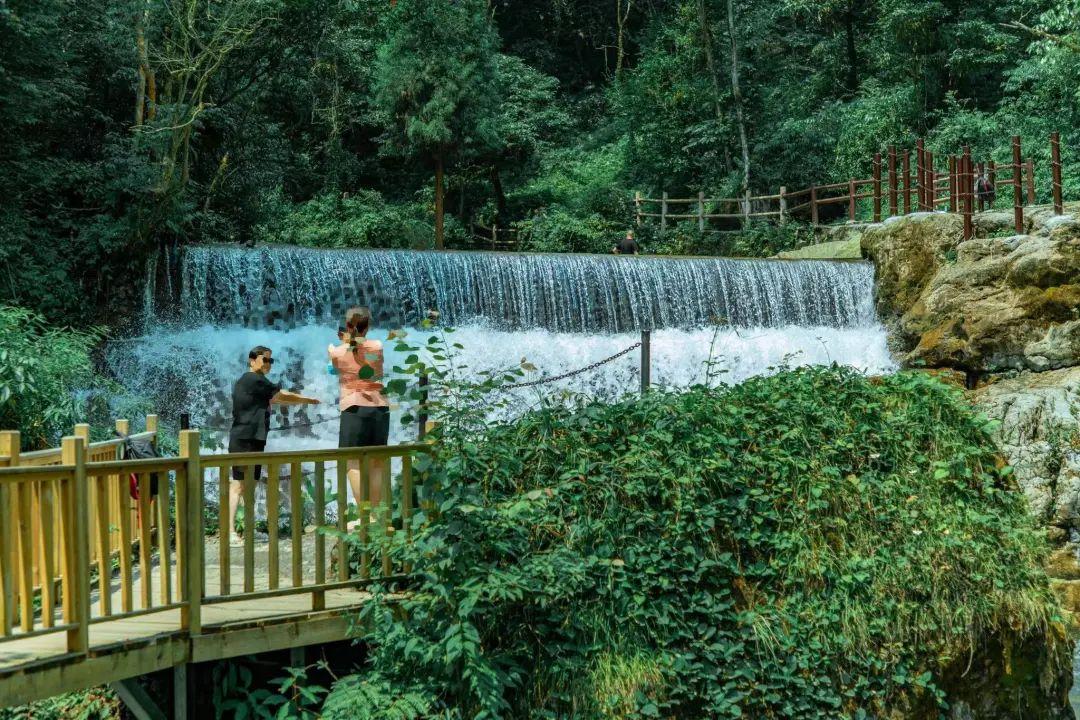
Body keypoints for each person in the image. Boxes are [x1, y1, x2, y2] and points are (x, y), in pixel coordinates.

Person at [227, 346, 319, 546]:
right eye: (264, 359)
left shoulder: (255, 383)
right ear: (252, 360)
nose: (268, 364)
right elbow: (281, 395)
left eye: (271, 361)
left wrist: (301, 401)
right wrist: (308, 400)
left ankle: (248, 531)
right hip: (244, 438)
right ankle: (229, 532)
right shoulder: (253, 378)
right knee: (238, 485)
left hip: (253, 438)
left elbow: (275, 399)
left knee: (249, 485)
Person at [328, 307, 391, 527]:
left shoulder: (336, 351)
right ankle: (376, 516)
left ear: (347, 326)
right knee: (376, 463)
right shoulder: (377, 346)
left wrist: (338, 345)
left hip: (354, 407)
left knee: (353, 462)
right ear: (368, 326)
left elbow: (335, 369)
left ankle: (365, 517)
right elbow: (370, 361)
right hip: (379, 407)